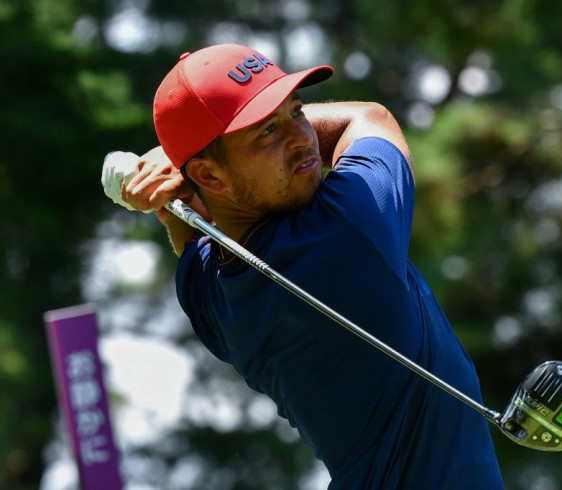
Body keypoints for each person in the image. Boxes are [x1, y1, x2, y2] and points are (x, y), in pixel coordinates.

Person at [121, 43, 504, 489]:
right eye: (267, 131)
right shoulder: (345, 229)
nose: (301, 138)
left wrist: (179, 184)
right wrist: (178, 175)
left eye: (297, 112)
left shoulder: (213, 295)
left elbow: (190, 232)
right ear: (210, 176)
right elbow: (369, 119)